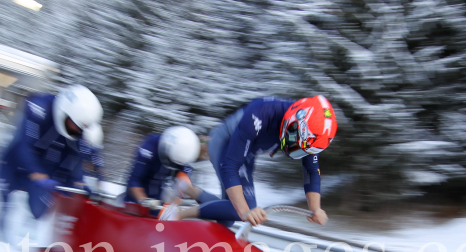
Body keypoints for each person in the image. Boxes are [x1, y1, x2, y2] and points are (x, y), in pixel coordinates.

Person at [159, 96, 337, 226]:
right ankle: (177, 213)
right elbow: (231, 167)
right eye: (294, 142)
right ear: (293, 119)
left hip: (248, 152)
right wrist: (244, 211)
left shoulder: (311, 136)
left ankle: (185, 187)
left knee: (228, 217)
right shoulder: (261, 113)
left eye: (302, 149)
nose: (294, 149)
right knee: (240, 210)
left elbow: (311, 171)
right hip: (226, 142)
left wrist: (316, 208)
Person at [0, 84, 104, 241]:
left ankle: (29, 229)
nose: (77, 130)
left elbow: (75, 157)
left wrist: (79, 183)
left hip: (45, 163)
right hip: (17, 159)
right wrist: (37, 174)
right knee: (6, 190)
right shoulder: (40, 108)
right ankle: (1, 221)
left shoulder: (76, 130)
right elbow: (24, 145)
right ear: (64, 113)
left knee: (41, 204)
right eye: (76, 125)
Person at [125, 126, 216, 215]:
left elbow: (184, 181)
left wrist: (177, 198)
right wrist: (144, 200)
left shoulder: (185, 155)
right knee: (136, 211)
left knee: (159, 217)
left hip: (158, 192)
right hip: (138, 192)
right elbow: (134, 180)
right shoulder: (149, 147)